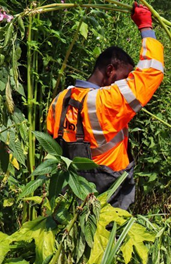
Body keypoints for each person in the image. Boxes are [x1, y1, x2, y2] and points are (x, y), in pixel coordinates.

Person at [46, 2, 164, 210]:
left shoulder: (60, 99)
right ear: (110, 70)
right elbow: (151, 72)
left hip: (69, 194)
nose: (124, 82)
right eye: (124, 77)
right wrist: (145, 26)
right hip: (109, 196)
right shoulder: (106, 102)